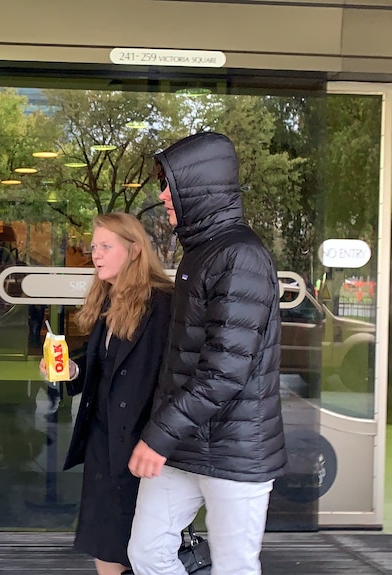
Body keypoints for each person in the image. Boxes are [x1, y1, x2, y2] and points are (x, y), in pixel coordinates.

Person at [127, 132, 287, 575]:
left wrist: (158, 434)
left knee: (234, 567)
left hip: (236, 452)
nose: (163, 196)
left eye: (170, 186)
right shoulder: (202, 253)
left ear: (200, 187)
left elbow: (224, 370)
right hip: (185, 445)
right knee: (147, 552)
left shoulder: (241, 256)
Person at [39, 212, 172, 575]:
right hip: (104, 440)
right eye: (93, 246)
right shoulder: (109, 300)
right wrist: (72, 369)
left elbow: (170, 378)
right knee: (105, 543)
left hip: (139, 444)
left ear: (134, 250)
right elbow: (105, 366)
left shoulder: (162, 304)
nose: (96, 254)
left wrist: (159, 439)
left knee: (134, 546)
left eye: (106, 246)